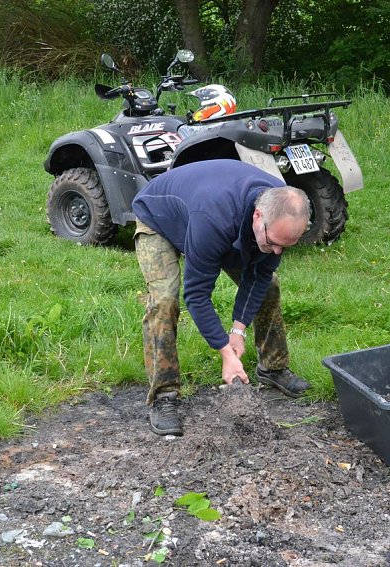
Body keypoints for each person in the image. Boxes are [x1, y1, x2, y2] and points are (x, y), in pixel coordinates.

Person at [131, 159, 312, 436]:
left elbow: (259, 277)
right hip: (159, 217)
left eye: (284, 247)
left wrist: (237, 331)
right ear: (257, 216)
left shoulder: (279, 209)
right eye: (273, 243)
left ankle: (273, 368)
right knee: (165, 299)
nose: (276, 252)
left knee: (270, 285)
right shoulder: (214, 218)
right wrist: (226, 353)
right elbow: (197, 294)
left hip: (211, 219)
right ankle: (163, 396)